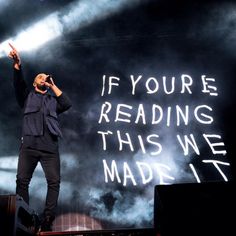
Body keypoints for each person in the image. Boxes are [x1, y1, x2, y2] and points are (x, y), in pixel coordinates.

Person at [8, 43, 72, 232]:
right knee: (22, 181)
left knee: (54, 182)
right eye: (40, 77)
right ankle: (25, 217)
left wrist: (53, 85)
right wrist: (17, 65)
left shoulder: (53, 101)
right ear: (35, 83)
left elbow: (67, 103)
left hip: (50, 148)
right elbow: (18, 84)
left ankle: (47, 219)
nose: (44, 78)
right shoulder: (27, 97)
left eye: (46, 77)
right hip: (29, 145)